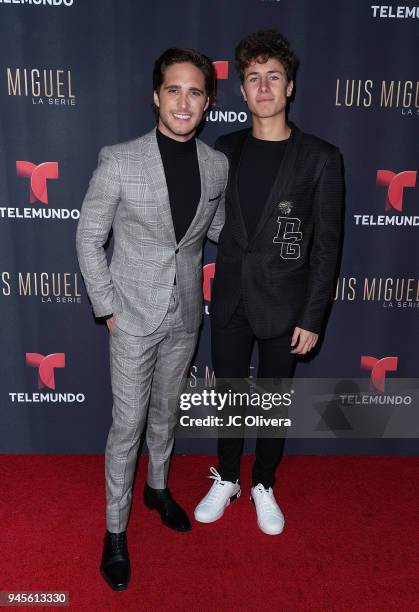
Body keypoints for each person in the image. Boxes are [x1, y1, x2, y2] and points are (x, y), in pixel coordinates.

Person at [76, 47, 227, 590]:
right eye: (173, 90)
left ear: (208, 102)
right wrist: (108, 309)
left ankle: (158, 488)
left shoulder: (216, 165)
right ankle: (116, 531)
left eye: (194, 92)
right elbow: (90, 240)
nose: (183, 102)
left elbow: (216, 231)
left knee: (165, 412)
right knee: (127, 426)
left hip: (187, 313)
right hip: (132, 316)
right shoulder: (119, 159)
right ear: (155, 96)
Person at [194, 29, 344, 536]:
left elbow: (327, 246)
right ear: (241, 89)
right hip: (231, 296)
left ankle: (263, 483)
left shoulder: (321, 158)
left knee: (274, 399)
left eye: (273, 77)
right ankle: (229, 477)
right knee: (231, 396)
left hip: (287, 302)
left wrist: (313, 315)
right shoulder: (224, 148)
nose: (263, 87)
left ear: (290, 87)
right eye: (253, 78)